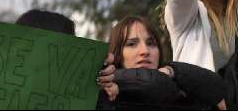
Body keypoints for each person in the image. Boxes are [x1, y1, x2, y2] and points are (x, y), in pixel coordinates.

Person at [97, 16, 228, 110]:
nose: (145, 51)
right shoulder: (102, 95)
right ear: (117, 54)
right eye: (132, 44)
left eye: (151, 43)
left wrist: (171, 71)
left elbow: (218, 88)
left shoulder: (181, 88)